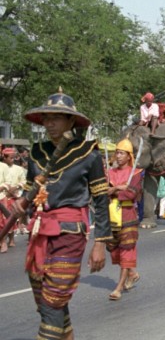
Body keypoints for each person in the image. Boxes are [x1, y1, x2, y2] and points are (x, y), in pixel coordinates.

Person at [12, 89, 110, 340]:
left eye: (57, 118)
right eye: (46, 118)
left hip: (70, 231)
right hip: (39, 232)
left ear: (71, 122)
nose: (50, 123)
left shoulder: (89, 153)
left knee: (53, 299)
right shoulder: (36, 152)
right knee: (45, 300)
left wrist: (100, 243)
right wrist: (22, 206)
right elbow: (31, 192)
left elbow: (100, 200)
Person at [106, 138, 143, 301]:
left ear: (129, 156)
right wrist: (117, 188)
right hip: (112, 215)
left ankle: (118, 288)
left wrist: (114, 190)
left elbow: (131, 193)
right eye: (118, 153)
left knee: (127, 250)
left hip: (128, 215)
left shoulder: (135, 173)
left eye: (122, 153)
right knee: (113, 249)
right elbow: (103, 191)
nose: (119, 156)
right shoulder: (110, 173)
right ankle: (132, 273)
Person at [0, 147, 26, 251]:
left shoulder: (16, 169)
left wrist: (15, 188)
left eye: (14, 158)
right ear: (4, 157)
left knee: (8, 219)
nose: (13, 160)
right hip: (6, 194)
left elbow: (22, 181)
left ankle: (6, 241)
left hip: (9, 196)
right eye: (11, 158)